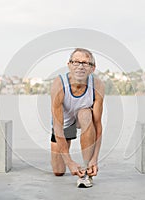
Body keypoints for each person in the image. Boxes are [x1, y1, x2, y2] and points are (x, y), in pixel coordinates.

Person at [50, 48, 105, 188]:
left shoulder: (97, 85)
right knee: (58, 171)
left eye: (86, 63)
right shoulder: (59, 84)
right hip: (65, 122)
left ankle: (87, 172)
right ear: (69, 64)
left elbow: (98, 126)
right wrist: (69, 162)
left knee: (86, 114)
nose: (80, 66)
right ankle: (66, 163)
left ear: (92, 68)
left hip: (84, 118)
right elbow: (58, 126)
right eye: (76, 62)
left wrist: (95, 158)